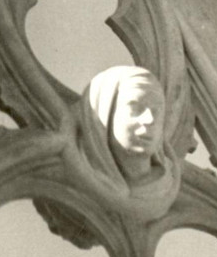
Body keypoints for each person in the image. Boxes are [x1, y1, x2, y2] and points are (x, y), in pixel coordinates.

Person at [68, 65, 181, 219]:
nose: (149, 120)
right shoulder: (79, 168)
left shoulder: (167, 182)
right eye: (135, 108)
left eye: (156, 111)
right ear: (105, 113)